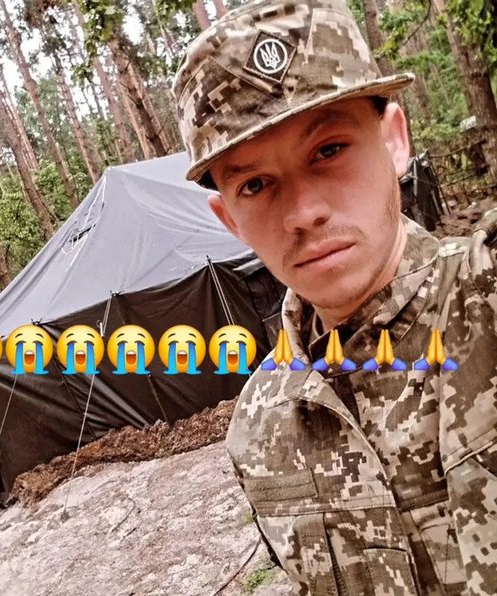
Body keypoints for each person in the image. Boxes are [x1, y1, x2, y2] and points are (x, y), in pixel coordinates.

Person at [172, 0, 497, 593]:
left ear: (394, 140)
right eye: (256, 184)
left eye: (328, 150)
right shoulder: (256, 428)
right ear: (230, 220)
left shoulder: (485, 295)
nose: (303, 212)